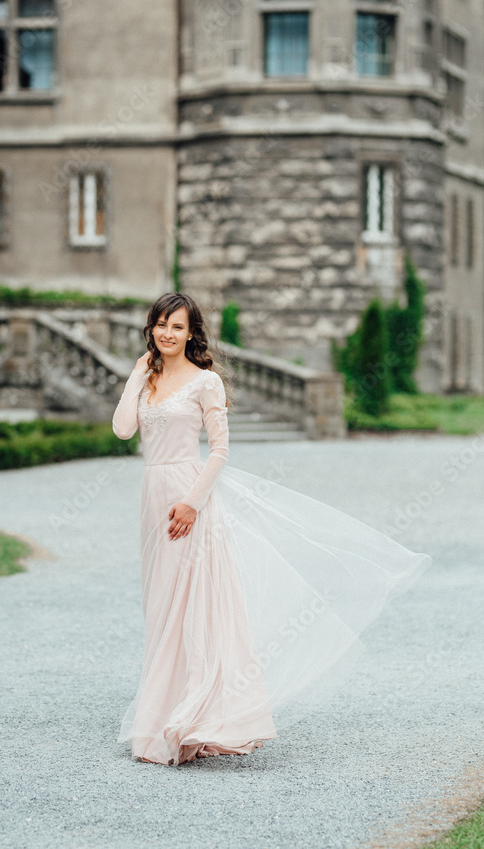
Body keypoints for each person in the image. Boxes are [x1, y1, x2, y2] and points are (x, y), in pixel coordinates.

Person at [112, 292, 432, 766]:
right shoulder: (149, 378)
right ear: (151, 329)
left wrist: (192, 504)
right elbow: (122, 429)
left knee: (194, 607)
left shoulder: (205, 384)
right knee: (160, 607)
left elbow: (219, 451)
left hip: (188, 498)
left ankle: (192, 719)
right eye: (160, 324)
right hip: (152, 499)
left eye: (177, 327)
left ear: (191, 333)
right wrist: (137, 374)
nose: (167, 334)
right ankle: (164, 712)